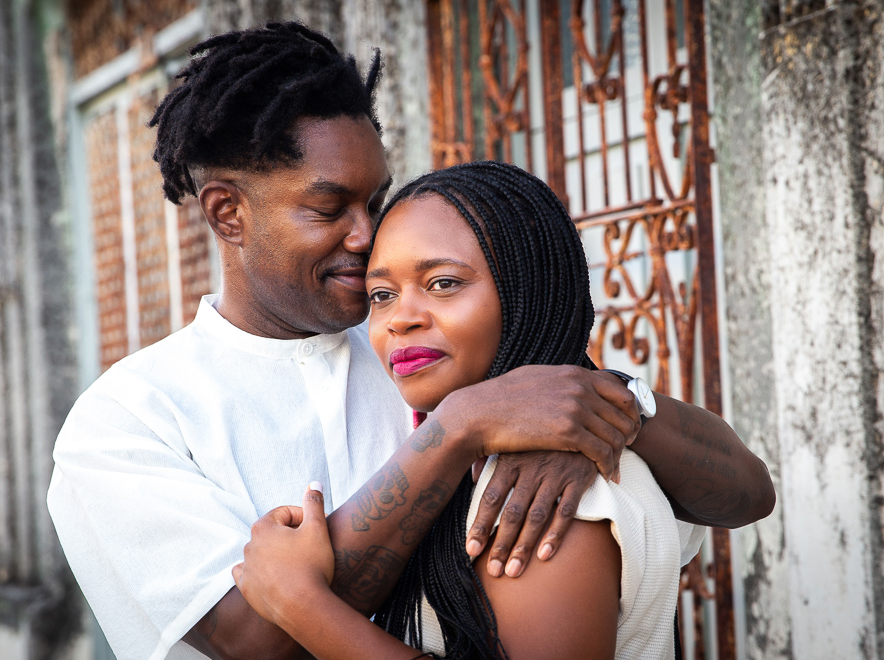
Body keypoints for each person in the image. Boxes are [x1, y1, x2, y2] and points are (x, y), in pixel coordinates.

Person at [47, 22, 775, 660]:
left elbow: (745, 494)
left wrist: (603, 408)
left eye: (375, 201)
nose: (366, 238)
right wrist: (460, 430)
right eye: (329, 207)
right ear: (228, 212)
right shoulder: (127, 421)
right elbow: (255, 640)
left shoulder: (432, 356)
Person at [237, 161, 705, 660]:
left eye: (442, 283)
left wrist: (302, 605)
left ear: (527, 288)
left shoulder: (547, 499)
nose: (402, 319)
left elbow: (752, 491)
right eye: (382, 295)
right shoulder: (474, 465)